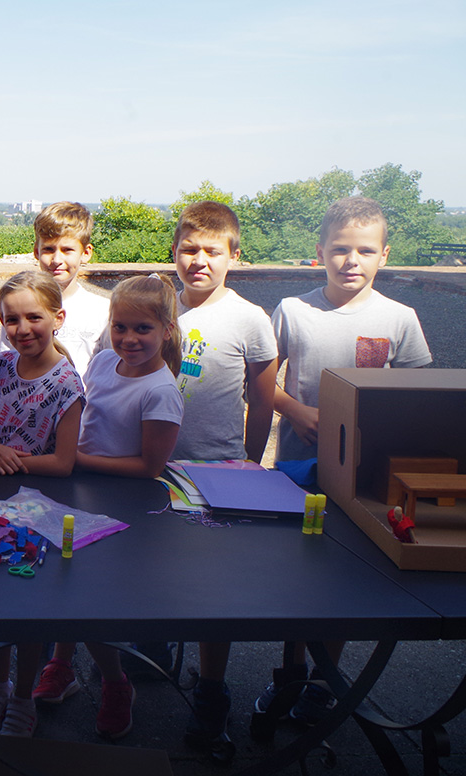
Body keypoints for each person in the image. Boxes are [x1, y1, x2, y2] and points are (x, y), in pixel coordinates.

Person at [258, 196, 432, 725]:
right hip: (299, 468)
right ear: (320, 252)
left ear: (384, 255)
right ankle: (289, 672)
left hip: (364, 476)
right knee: (298, 575)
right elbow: (263, 385)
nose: (351, 260)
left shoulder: (399, 318)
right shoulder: (293, 310)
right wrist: (296, 410)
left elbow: (418, 398)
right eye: (339, 249)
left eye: (365, 250)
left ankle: (322, 681)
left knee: (343, 580)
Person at [38, 274, 184, 741]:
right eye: (120, 326)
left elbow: (149, 467)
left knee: (88, 598)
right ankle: (62, 664)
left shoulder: (161, 391)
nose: (129, 338)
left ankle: (117, 682)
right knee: (64, 582)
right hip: (80, 490)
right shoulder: (103, 361)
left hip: (124, 505)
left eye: (143, 328)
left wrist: (76, 459)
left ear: (166, 330)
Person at [169, 201, 277, 751]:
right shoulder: (157, 306)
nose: (199, 260)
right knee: (155, 566)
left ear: (234, 255)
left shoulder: (249, 318)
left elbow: (263, 400)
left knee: (212, 589)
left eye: (212, 251)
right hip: (153, 465)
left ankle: (212, 692)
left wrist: (249, 466)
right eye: (189, 249)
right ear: (174, 252)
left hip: (217, 467)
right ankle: (155, 647)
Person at [0, 271, 85, 739]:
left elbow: (62, 463)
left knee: (31, 605)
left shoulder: (67, 383)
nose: (22, 329)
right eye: (11, 319)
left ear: (58, 318)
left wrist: (4, 457)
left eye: (34, 317)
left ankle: (22, 695)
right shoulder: (0, 365)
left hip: (40, 508)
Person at [32, 201, 110, 377]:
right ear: (36, 252)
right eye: (48, 249)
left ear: (86, 253)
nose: (57, 260)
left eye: (67, 250)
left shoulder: (104, 311)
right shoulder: (21, 307)